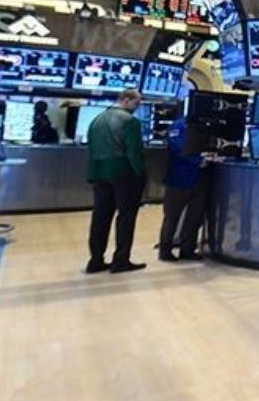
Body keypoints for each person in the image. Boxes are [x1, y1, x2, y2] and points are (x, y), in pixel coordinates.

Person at [85, 89, 148, 274]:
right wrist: (142, 174)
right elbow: (134, 152)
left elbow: (91, 149)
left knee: (100, 218)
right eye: (136, 103)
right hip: (124, 174)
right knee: (126, 218)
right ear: (126, 100)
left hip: (99, 173)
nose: (137, 108)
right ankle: (121, 260)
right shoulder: (130, 122)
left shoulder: (97, 120)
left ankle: (96, 260)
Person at [159, 118, 210, 262]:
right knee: (172, 217)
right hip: (178, 178)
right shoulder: (178, 125)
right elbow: (178, 148)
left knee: (195, 217)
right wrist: (199, 161)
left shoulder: (204, 123)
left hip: (199, 178)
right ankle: (165, 250)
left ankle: (188, 249)